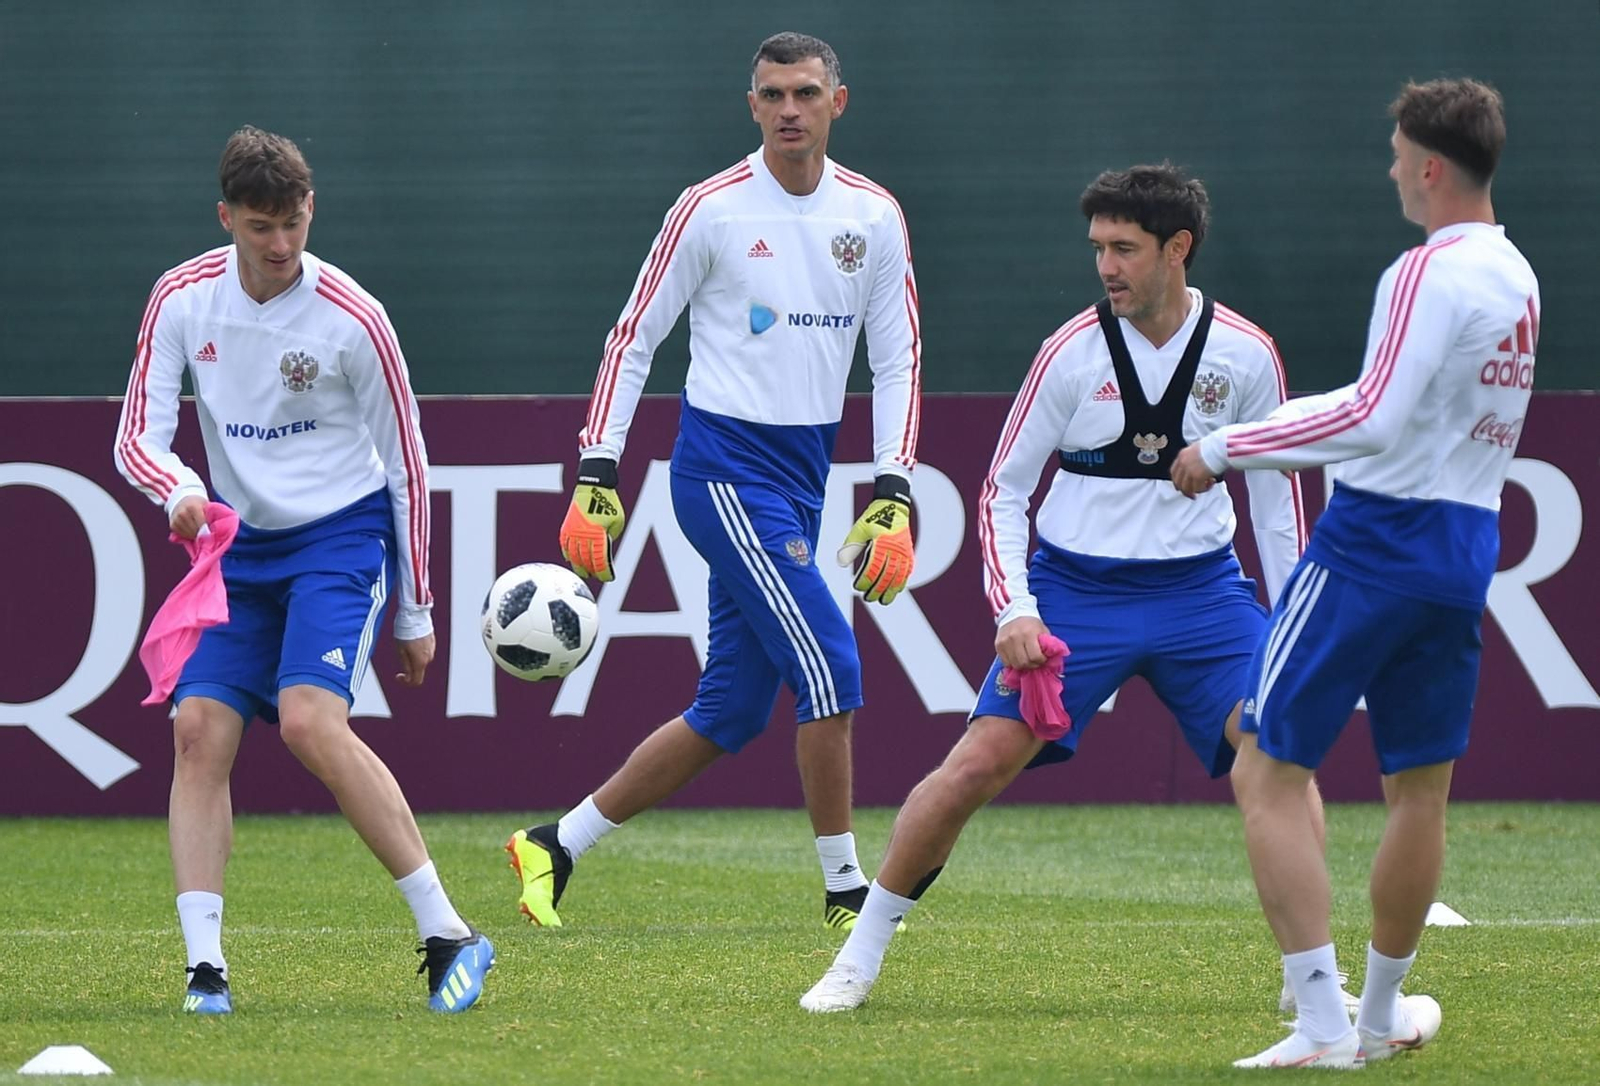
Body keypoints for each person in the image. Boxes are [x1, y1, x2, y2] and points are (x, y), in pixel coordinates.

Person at [803, 163, 1330, 1013]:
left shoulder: (1246, 354)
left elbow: (1277, 503)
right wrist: (1016, 608)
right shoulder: (1069, 354)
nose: (1107, 266)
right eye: (1098, 249)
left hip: (1206, 599)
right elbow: (1001, 492)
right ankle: (857, 958)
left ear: (1179, 249)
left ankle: (1312, 980)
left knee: (1280, 758)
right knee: (975, 764)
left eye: (1125, 248)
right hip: (1075, 594)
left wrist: (1293, 619)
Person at [505, 31, 922, 933]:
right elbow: (633, 339)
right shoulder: (711, 210)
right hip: (722, 472)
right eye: (773, 94)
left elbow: (897, 364)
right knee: (832, 665)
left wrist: (894, 487)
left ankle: (556, 843)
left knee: (729, 712)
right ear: (752, 105)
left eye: (807, 93)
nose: (789, 110)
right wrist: (596, 470)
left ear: (837, 103)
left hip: (804, 477)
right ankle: (848, 888)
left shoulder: (876, 217)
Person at [1171, 78, 1537, 1070]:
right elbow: (1394, 402)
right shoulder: (1516, 277)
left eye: (1392, 154)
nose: (1387, 170)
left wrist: (1230, 443)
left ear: (1427, 166)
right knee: (1419, 790)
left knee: (1264, 766)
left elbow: (1370, 419)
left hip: (1377, 542)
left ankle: (1327, 1026)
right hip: (1462, 550)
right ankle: (1376, 1018)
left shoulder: (1427, 271)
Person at [112, 126, 492, 1015]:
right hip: (236, 550)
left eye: (292, 222)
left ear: (310, 208)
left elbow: (408, 464)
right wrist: (178, 490)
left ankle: (448, 934)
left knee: (309, 725)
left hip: (338, 539)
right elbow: (137, 434)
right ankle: (205, 972)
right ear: (226, 219)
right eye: (259, 227)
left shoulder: (353, 317)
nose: (280, 245)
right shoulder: (181, 298)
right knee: (198, 731)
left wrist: (416, 607)